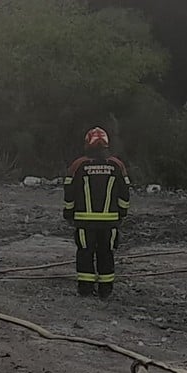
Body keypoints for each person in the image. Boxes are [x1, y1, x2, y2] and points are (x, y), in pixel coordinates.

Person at [63, 127, 130, 298]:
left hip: (85, 221)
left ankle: (86, 290)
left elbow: (69, 192)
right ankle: (105, 290)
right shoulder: (117, 165)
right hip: (110, 222)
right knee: (106, 253)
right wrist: (122, 213)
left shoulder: (78, 165)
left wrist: (68, 213)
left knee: (85, 253)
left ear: (87, 145)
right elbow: (125, 193)